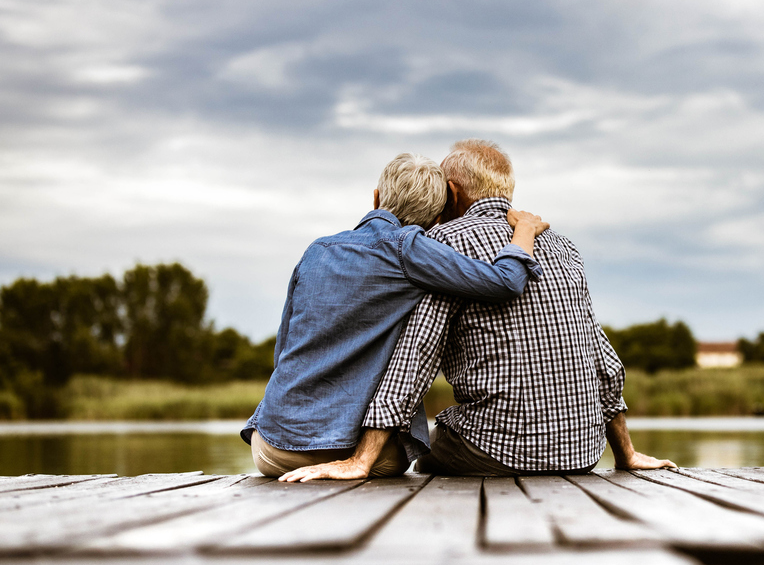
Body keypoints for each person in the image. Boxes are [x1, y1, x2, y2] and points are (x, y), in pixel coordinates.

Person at [280, 139, 673, 481]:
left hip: (495, 449)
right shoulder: (561, 246)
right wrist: (626, 454)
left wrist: (361, 460)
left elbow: (415, 357)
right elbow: (601, 356)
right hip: (581, 454)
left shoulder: (442, 243)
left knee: (421, 449)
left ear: (450, 193)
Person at [242, 152, 549, 478]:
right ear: (436, 220)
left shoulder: (316, 250)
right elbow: (506, 281)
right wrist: (525, 231)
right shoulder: (412, 249)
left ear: (376, 198)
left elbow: (283, 353)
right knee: (413, 454)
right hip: (356, 451)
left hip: (273, 449)